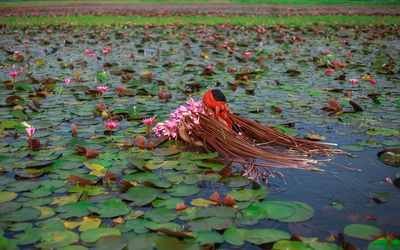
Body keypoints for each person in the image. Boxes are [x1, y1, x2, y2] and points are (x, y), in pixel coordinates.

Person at [153, 89, 343, 182]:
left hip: (227, 141)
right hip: (223, 141)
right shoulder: (195, 121)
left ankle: (297, 148)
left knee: (261, 139)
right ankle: (302, 151)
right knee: (249, 144)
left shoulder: (220, 116)